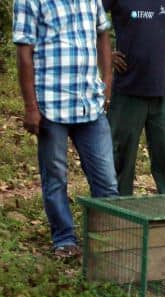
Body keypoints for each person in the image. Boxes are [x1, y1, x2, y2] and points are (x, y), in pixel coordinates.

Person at [13, 0, 120, 259]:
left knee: (106, 179)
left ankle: (108, 240)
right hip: (52, 105)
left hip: (89, 104)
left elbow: (102, 34)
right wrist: (30, 107)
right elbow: (24, 53)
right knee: (56, 179)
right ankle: (64, 239)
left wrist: (106, 82)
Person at [103, 0, 165, 196]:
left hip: (163, 91)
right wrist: (107, 56)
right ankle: (116, 210)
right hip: (127, 92)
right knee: (119, 157)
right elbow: (89, 20)